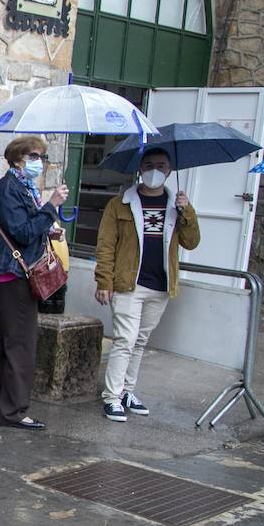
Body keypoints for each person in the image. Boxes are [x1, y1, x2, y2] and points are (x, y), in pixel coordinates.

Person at [94, 147, 200, 421]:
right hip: (128, 283)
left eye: (161, 166)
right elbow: (106, 244)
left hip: (160, 285)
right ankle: (112, 396)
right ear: (140, 169)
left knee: (140, 341)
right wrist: (104, 280)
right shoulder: (120, 204)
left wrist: (186, 211)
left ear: (169, 171)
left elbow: (191, 242)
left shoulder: (176, 205)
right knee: (125, 340)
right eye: (149, 165)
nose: (155, 170)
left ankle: (128, 390)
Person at [0, 136, 69, 429]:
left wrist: (48, 229)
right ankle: (13, 410)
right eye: (33, 156)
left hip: (8, 270)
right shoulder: (11, 189)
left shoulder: (21, 188)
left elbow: (27, 228)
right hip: (12, 273)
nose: (38, 162)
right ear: (18, 159)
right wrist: (51, 206)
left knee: (7, 338)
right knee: (21, 342)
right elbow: (22, 231)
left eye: (41, 157)